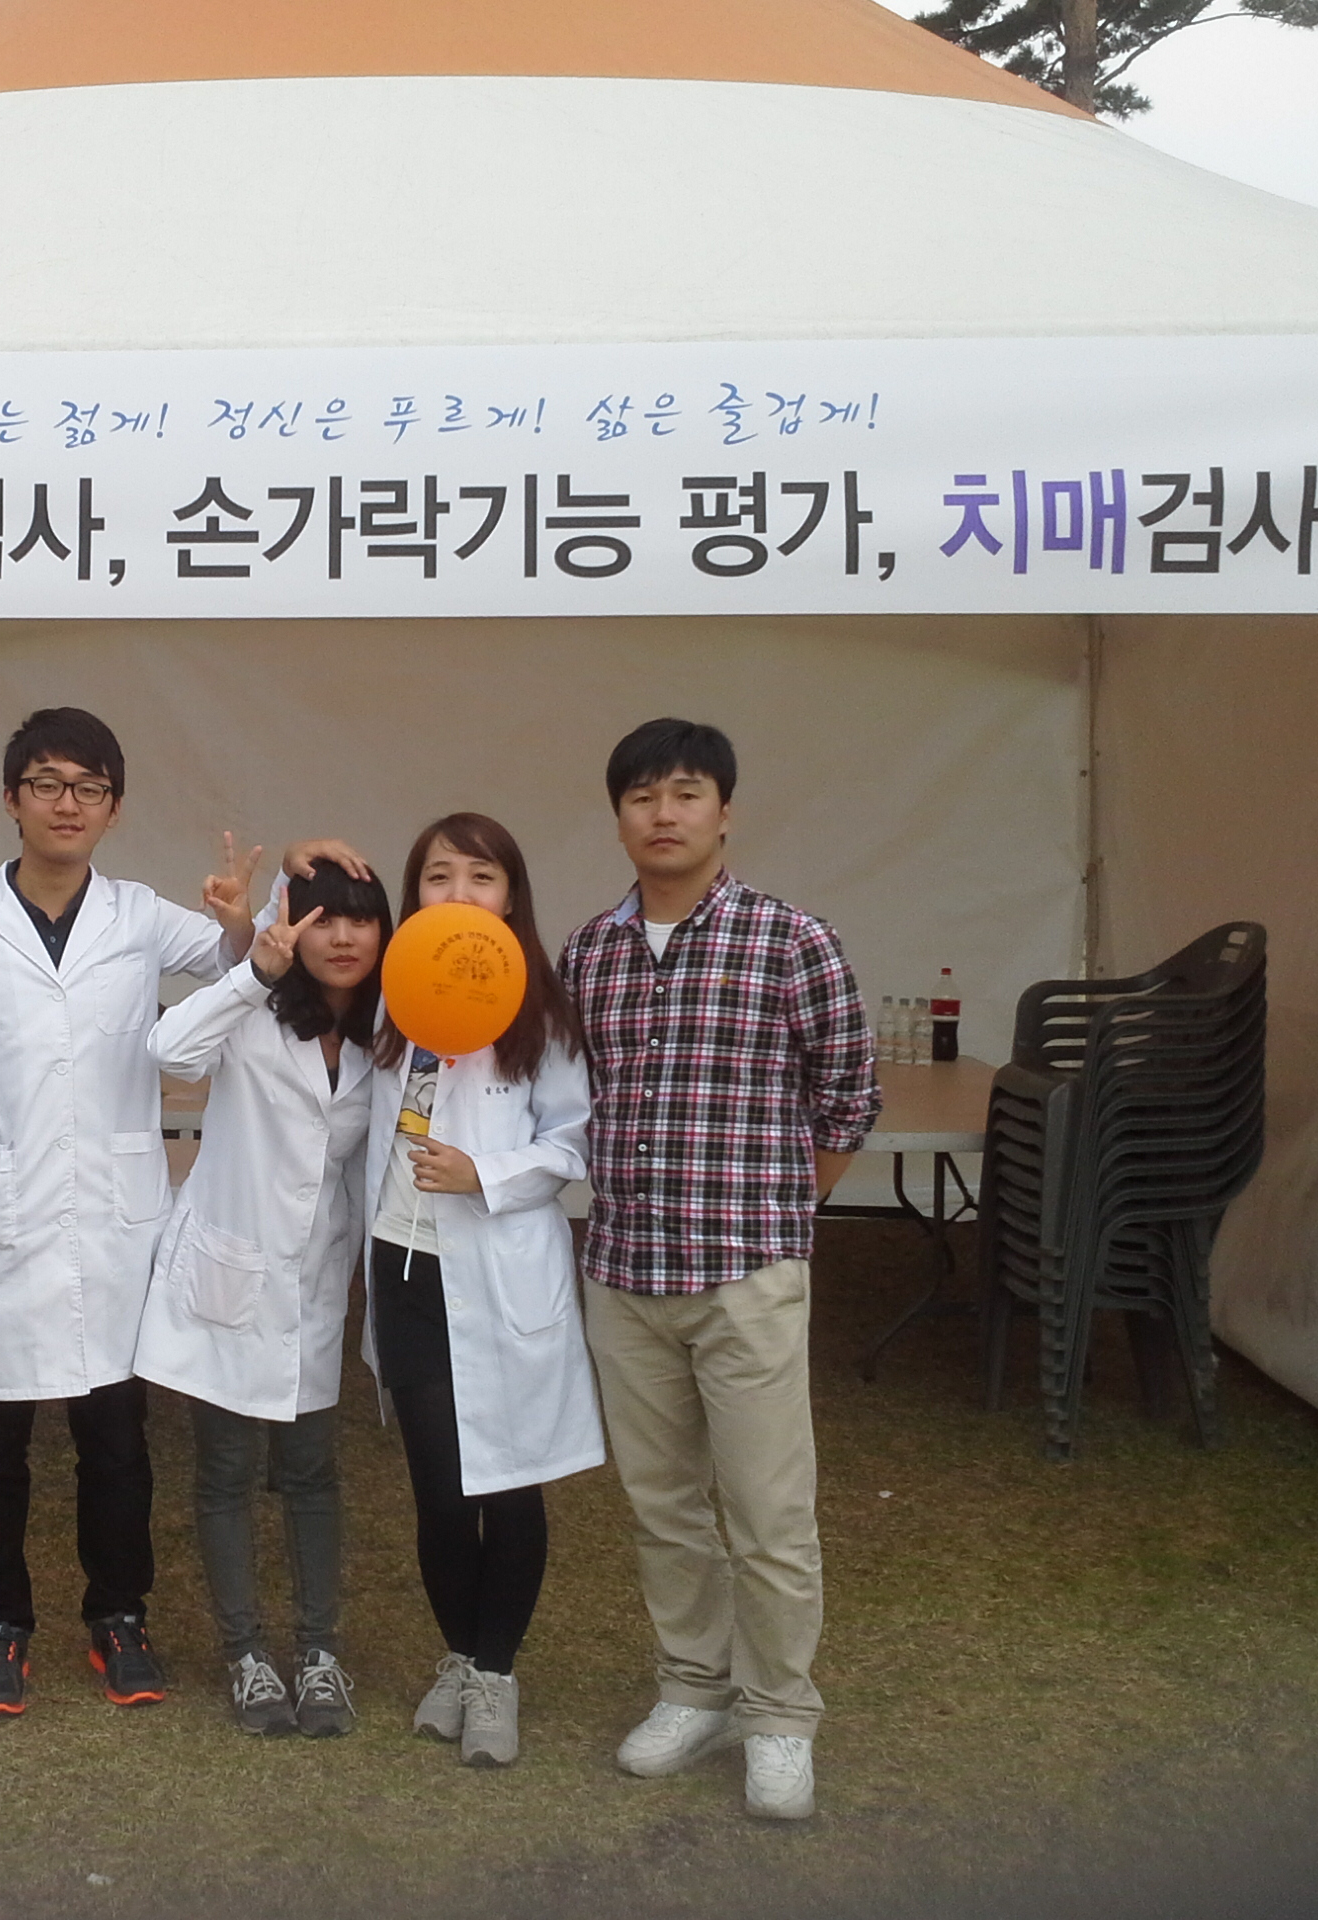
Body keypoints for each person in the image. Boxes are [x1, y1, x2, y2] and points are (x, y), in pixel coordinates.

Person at [0, 708, 253, 1717]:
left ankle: (120, 1615)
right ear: (12, 798)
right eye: (46, 783)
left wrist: (235, 921)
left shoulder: (141, 917)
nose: (67, 803)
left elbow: (244, 972)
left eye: (88, 787)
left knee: (116, 1438)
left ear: (114, 808)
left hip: (114, 1220)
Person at [557, 717, 880, 1822]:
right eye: (642, 796)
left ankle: (779, 1715)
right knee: (663, 1507)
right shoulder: (590, 953)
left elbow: (847, 1096)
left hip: (745, 1274)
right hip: (624, 1274)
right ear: (618, 817)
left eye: (686, 793)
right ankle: (692, 1688)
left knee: (768, 1511)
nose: (664, 814)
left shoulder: (790, 940)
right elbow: (573, 1097)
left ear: (724, 811)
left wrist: (780, 1212)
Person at [277, 816, 601, 1768]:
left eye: (481, 877)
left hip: (502, 1274)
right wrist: (292, 873)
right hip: (406, 1270)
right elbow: (284, 961)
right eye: (438, 877)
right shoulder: (389, 997)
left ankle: (496, 1674)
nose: (459, 896)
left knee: (511, 1482)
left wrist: (485, 1175)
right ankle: (460, 1656)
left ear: (513, 896)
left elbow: (572, 1144)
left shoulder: (542, 1013)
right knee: (441, 1491)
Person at [134, 857, 387, 1738]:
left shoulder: (389, 1037)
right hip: (229, 1274)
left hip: (315, 1282)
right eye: (323, 919)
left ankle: (319, 1654)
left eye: (360, 919)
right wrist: (252, 970)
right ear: (293, 930)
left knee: (312, 1473)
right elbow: (169, 1050)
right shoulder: (254, 1013)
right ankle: (245, 1654)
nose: (342, 937)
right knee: (227, 1473)